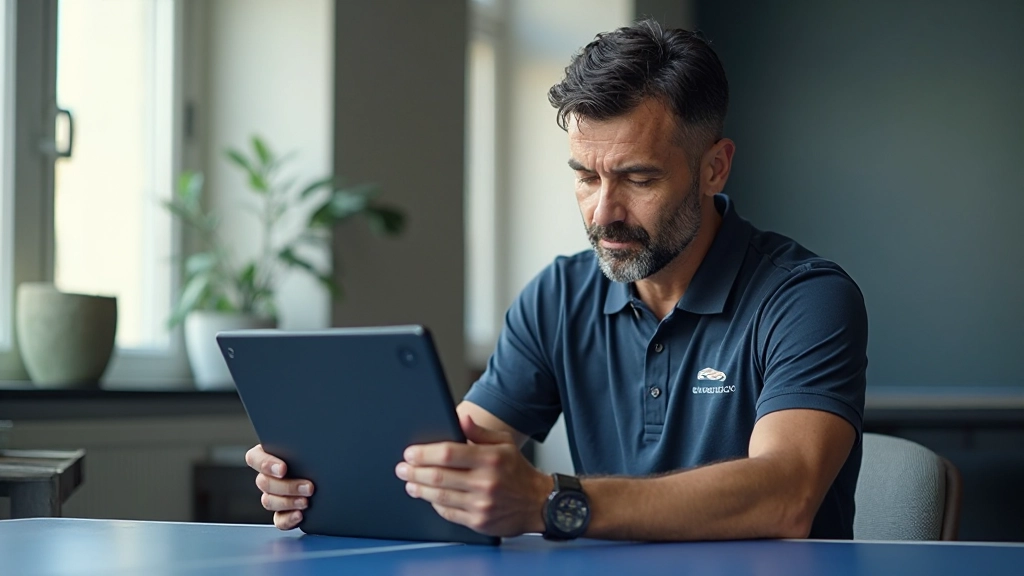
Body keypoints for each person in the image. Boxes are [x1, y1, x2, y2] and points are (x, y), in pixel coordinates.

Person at [245, 19, 867, 541]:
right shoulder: (559, 294)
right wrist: (318, 474)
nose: (603, 214)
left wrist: (553, 500)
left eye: (639, 179)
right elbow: (464, 445)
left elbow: (786, 494)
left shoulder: (805, 299)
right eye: (586, 177)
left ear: (714, 169)